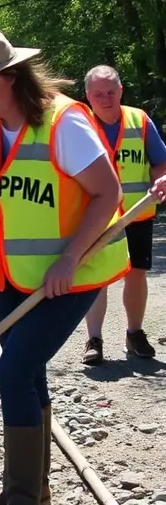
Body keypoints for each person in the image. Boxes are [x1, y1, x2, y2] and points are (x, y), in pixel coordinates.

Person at [0, 31, 129, 505]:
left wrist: (69, 256)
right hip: (14, 277)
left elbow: (107, 191)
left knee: (15, 367)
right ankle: (29, 490)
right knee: (29, 372)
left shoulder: (63, 123)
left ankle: (23, 501)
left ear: (14, 76)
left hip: (75, 273)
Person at [81, 65, 166, 365]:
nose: (105, 99)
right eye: (98, 94)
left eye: (111, 92)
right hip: (97, 217)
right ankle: (94, 339)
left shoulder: (139, 120)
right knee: (98, 278)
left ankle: (135, 333)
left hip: (138, 213)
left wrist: (160, 179)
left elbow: (160, 161)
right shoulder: (79, 122)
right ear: (88, 96)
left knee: (137, 274)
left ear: (121, 91)